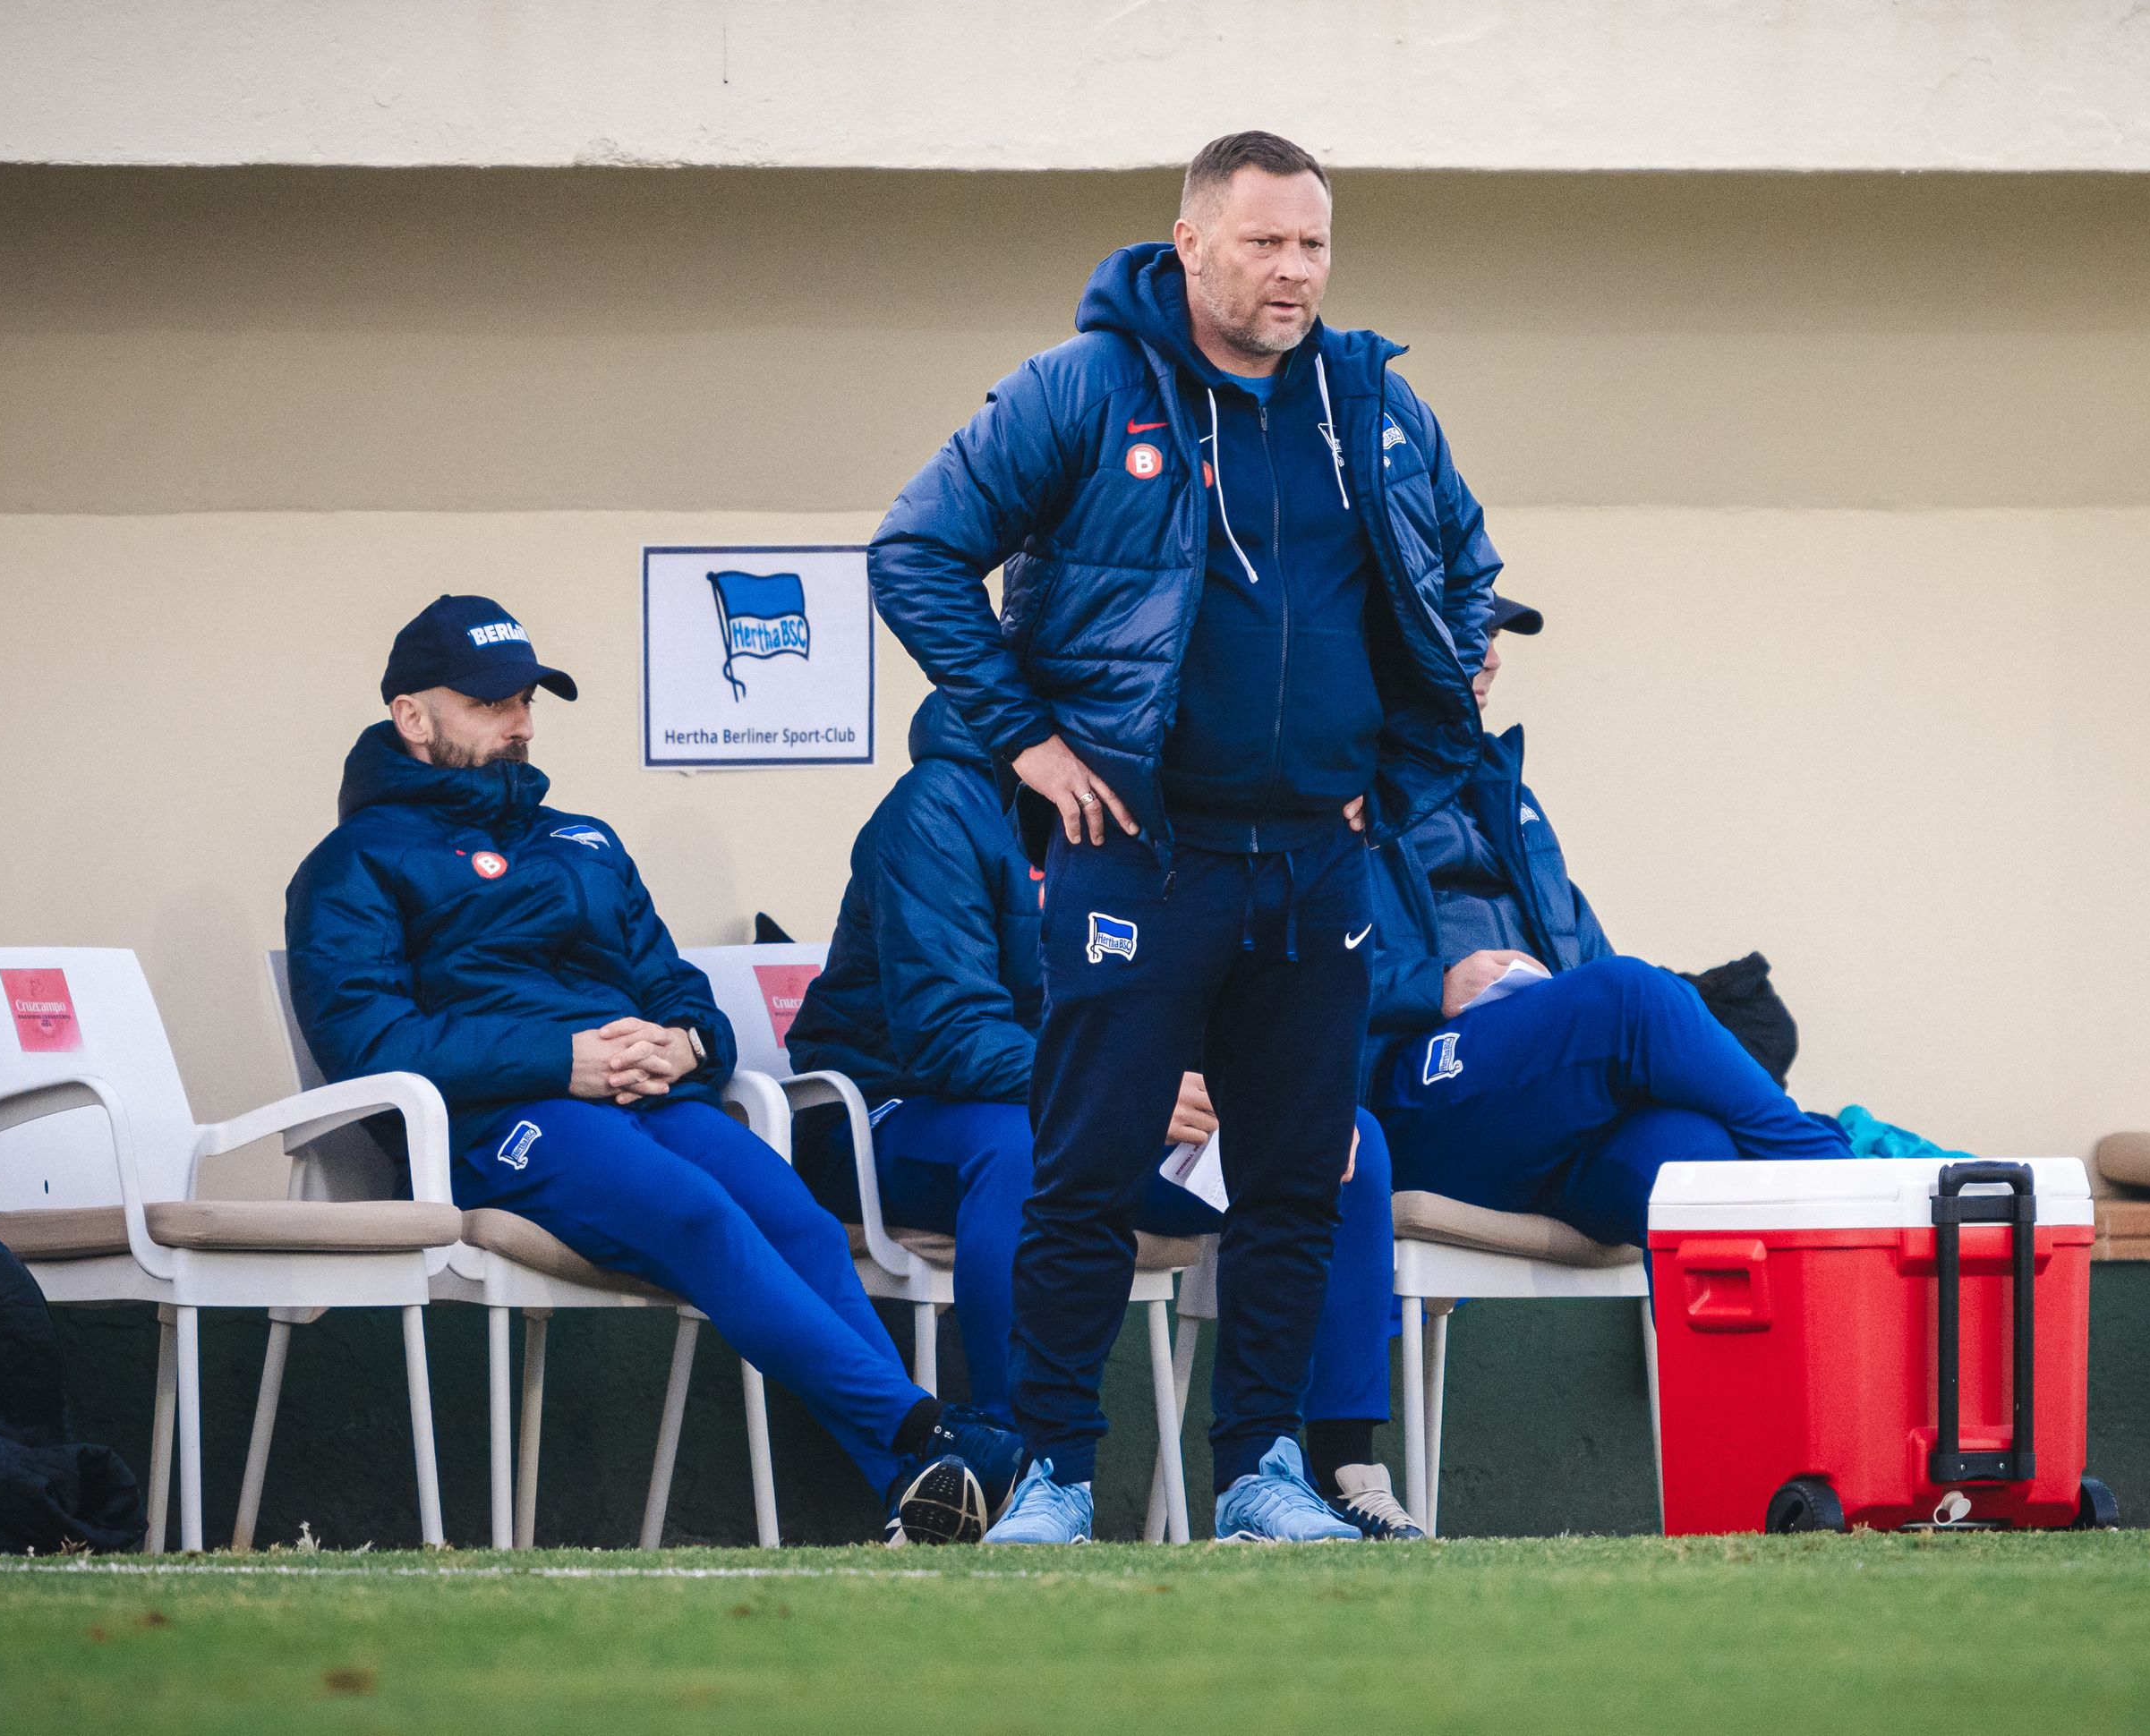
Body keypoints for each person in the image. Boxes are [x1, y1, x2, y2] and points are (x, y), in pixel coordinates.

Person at [869, 131, 1499, 1544]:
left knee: (1295, 1178)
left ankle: (1264, 1473)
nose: (1295, 272)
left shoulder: (1374, 404)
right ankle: (1054, 1475)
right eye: (1267, 243)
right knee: (1081, 1174)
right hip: (1140, 853)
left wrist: (1400, 764)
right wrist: (1025, 739)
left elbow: (1465, 571)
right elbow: (915, 549)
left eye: (1315, 245)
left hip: (1317, 860)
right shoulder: (1084, 387)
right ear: (1193, 240)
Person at [283, 594, 1020, 1544]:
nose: (518, 724)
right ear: (411, 716)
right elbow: (369, 1041)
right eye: (488, 703)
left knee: (793, 1210)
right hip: (497, 1124)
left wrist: (688, 1044)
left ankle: (917, 1486)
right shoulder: (351, 863)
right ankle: (925, 1430)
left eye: (526, 701)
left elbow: (677, 986)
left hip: (643, 1099)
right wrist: (564, 1057)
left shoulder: (581, 839)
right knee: (695, 1211)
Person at [787, 692, 1421, 1537]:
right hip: (901, 1113)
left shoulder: (1160, 810)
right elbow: (949, 1034)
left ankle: (1339, 1469)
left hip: (1104, 1108)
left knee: (1344, 1144)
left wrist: (1260, 1092)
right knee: (1022, 1147)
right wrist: (1130, 1086)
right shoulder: (939, 803)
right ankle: (1021, 1467)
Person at [1365, 596, 1890, 1252]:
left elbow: (1588, 968)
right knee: (1634, 994)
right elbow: (1264, 977)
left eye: (1496, 635)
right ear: (1400, 645)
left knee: (1695, 1156)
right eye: (1474, 633)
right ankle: (1835, 1176)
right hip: (1408, 1112)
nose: (1495, 657)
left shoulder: (1506, 794)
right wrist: (1430, 985)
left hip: (1547, 1127)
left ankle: (1760, 1333)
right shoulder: (1333, 793)